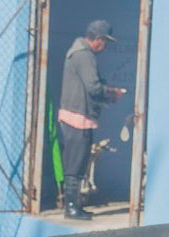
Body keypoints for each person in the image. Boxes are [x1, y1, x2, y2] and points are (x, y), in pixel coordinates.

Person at [57, 19, 127, 221]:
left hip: (76, 116)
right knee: (75, 163)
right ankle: (71, 207)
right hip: (77, 117)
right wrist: (111, 94)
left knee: (77, 162)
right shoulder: (84, 56)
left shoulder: (77, 53)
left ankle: (74, 205)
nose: (104, 47)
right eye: (105, 42)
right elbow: (94, 87)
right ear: (98, 39)